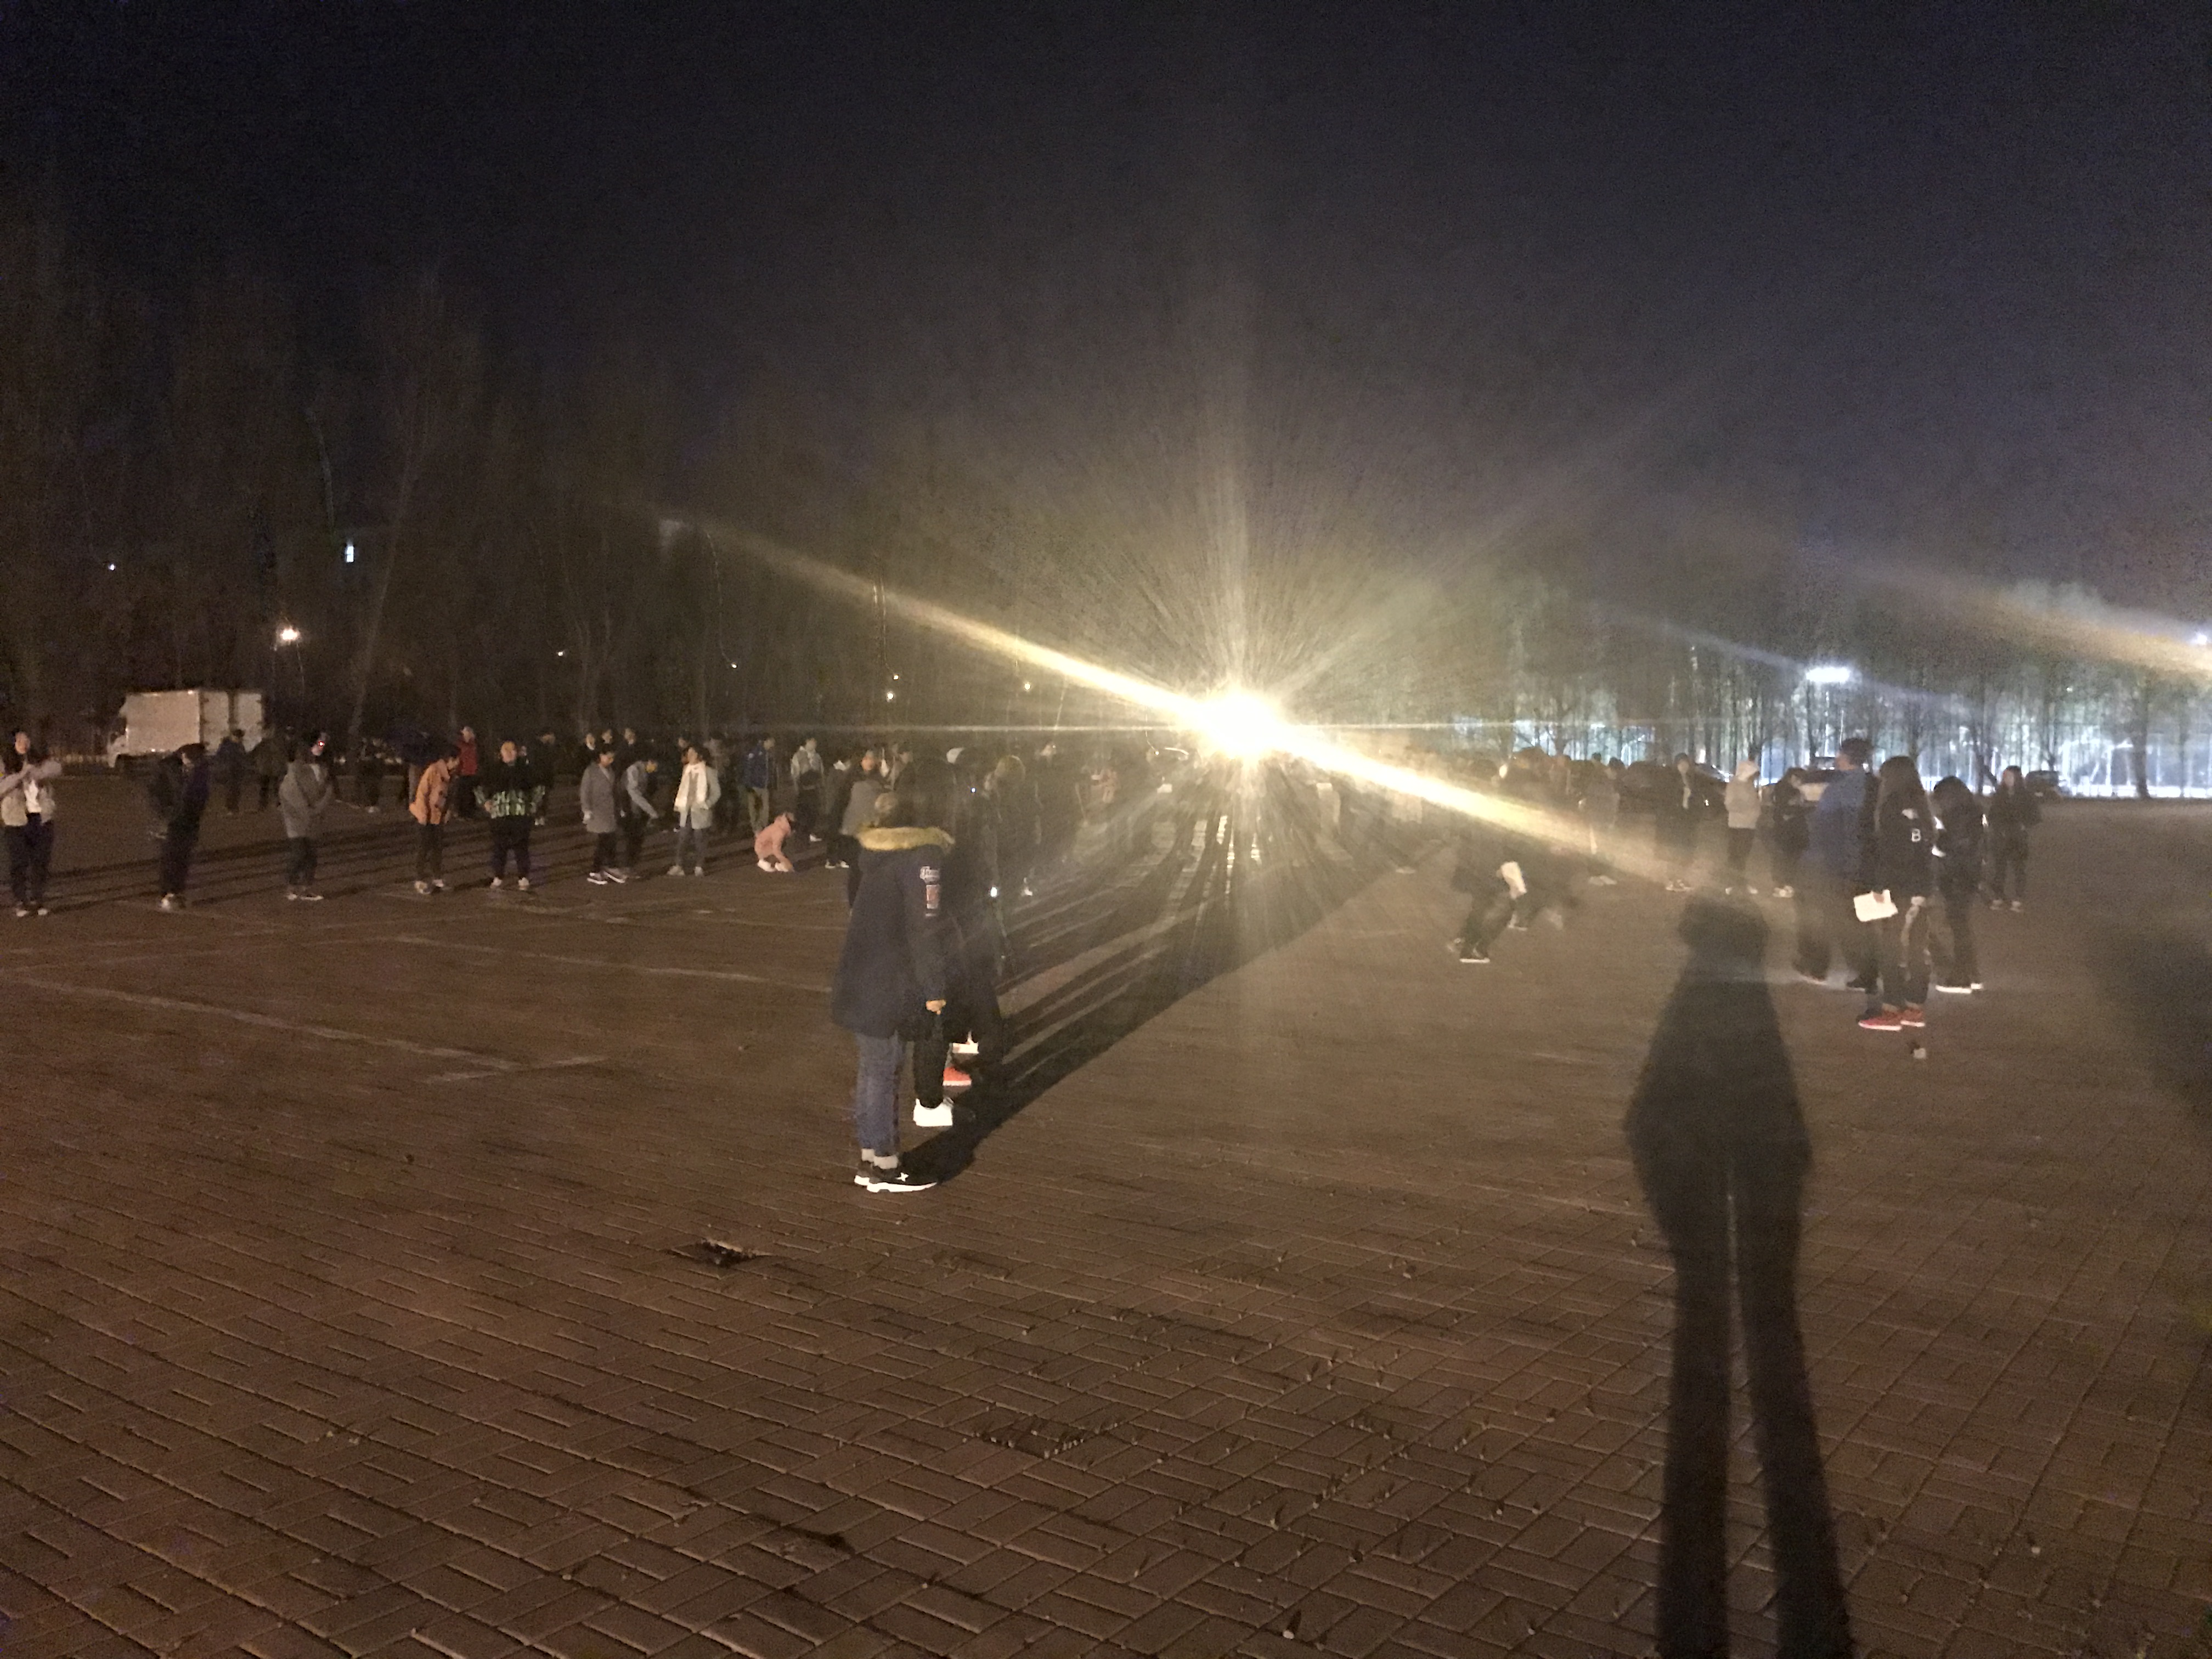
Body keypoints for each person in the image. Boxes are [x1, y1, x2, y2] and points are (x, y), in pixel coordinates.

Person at [828, 771, 952, 1193]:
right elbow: (925, 928)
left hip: (861, 973)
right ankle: (884, 1164)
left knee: (871, 1070)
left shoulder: (874, 853)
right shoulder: (923, 856)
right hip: (891, 978)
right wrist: (935, 988)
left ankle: (871, 1156)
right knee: (884, 1071)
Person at [1856, 754, 1934, 1032]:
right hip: (1920, 886)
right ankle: (1914, 1007)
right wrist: (1923, 889)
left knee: (1891, 947)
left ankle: (1892, 1009)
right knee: (1916, 947)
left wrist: (1879, 888)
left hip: (1898, 886)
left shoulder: (1892, 806)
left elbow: (1891, 853)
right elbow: (1922, 849)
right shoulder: (1921, 807)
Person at [1793, 737, 1876, 990]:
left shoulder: (1838, 790)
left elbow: (1829, 831)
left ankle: (1817, 967)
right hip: (1866, 865)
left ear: (1846, 757)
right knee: (1865, 920)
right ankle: (1869, 972)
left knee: (1821, 916)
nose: (1837, 758)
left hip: (1831, 865)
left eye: (1840, 754)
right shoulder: (1873, 786)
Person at [1929, 775, 1985, 994]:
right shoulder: (1974, 813)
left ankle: (1962, 977)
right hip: (1968, 875)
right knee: (1961, 926)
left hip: (1957, 876)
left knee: (1958, 928)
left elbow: (1955, 845)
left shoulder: (1959, 816)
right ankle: (1972, 975)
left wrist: (1938, 842)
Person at [0, 733, 62, 916]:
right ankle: (20, 901)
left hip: (41, 818)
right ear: (13, 743)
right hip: (16, 819)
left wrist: (37, 772)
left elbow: (57, 768)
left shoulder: (38, 760)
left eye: (26, 740)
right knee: (19, 862)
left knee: (41, 861)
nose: (24, 744)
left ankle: (38, 899)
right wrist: (20, 776)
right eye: (19, 741)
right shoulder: (4, 763)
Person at [279, 733, 337, 901]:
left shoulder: (323, 769)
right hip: (297, 819)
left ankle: (306, 888)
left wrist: (319, 808)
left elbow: (329, 790)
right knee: (298, 853)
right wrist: (308, 811)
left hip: (315, 819)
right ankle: (291, 886)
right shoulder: (295, 770)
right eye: (318, 745)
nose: (320, 748)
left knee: (311, 855)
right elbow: (291, 793)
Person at [154, 743, 211, 911]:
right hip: (172, 820)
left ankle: (178, 891)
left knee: (184, 857)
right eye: (191, 761)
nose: (192, 765)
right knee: (171, 857)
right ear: (183, 755)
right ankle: (167, 893)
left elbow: (202, 795)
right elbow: (156, 793)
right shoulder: (167, 768)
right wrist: (167, 813)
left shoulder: (201, 771)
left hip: (190, 820)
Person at [480, 740, 537, 890]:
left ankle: (523, 876)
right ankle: (498, 875)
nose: (510, 753)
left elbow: (537, 788)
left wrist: (534, 804)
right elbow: (480, 787)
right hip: (500, 814)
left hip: (520, 813)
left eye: (512, 750)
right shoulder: (493, 769)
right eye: (506, 750)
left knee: (521, 845)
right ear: (501, 753)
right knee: (499, 846)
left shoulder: (525, 769)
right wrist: (485, 802)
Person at [1985, 766, 2039, 910]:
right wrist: (1996, 827)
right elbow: (1993, 814)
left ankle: (2018, 897)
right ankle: (1998, 896)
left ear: (2017, 778)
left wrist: (2023, 825)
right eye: (2005, 777)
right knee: (1999, 869)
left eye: (2009, 776)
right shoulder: (2000, 795)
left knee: (2019, 868)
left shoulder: (2026, 796)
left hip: (2018, 838)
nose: (2007, 779)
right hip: (2001, 837)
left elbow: (2035, 816)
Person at [409, 743, 458, 894]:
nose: (459, 763)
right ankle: (419, 879)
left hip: (438, 817)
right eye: (457, 760)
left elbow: (449, 796)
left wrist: (448, 811)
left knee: (437, 848)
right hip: (425, 816)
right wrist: (423, 815)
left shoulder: (451, 775)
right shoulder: (433, 771)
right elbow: (422, 793)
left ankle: (437, 878)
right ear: (451, 759)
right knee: (424, 848)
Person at [669, 743, 720, 876]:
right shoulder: (686, 769)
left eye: (693, 753)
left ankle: (699, 866)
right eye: (688, 753)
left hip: (701, 812)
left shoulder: (709, 771)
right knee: (683, 839)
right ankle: (679, 865)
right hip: (686, 811)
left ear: (700, 755)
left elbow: (716, 792)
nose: (689, 756)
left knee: (700, 840)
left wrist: (707, 804)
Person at [1654, 754, 1701, 892]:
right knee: (1675, 851)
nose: (1684, 767)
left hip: (1687, 821)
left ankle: (1681, 878)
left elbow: (1695, 799)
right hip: (1674, 821)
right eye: (1681, 764)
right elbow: (1667, 800)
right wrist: (1683, 799)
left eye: (1686, 764)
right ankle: (1672, 879)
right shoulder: (1670, 779)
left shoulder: (1689, 779)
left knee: (1686, 851)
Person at [580, 744, 626, 885]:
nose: (611, 761)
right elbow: (585, 792)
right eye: (609, 758)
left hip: (610, 811)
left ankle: (609, 867)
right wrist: (587, 810)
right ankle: (597, 870)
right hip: (597, 811)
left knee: (610, 839)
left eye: (613, 758)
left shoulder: (611, 771)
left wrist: (620, 808)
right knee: (604, 840)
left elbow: (615, 791)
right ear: (601, 756)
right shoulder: (591, 771)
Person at [1767, 768, 1810, 899]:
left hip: (1791, 830)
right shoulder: (1784, 790)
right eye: (1800, 780)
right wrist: (1800, 808)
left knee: (1789, 858)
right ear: (1793, 778)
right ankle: (1782, 885)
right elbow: (1785, 809)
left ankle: (1785, 884)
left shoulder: (1789, 789)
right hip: (1788, 831)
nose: (1801, 783)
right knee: (1786, 858)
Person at [1722, 759, 1762, 895]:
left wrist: (1756, 811)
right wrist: (1748, 809)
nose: (1754, 776)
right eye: (1752, 772)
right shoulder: (1734, 785)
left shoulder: (1749, 785)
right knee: (1735, 855)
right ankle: (1731, 883)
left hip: (1749, 825)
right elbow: (1730, 805)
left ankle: (1740, 882)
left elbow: (1755, 802)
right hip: (1738, 825)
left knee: (1743, 856)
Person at [620, 752, 660, 872]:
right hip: (630, 809)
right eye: (655, 766)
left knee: (637, 838)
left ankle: (631, 864)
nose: (655, 770)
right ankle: (628, 865)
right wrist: (651, 811)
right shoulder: (634, 770)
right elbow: (635, 795)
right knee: (633, 838)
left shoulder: (642, 771)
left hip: (636, 810)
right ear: (650, 762)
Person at [742, 736, 779, 834]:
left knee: (765, 808)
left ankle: (762, 827)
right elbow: (748, 768)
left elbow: (771, 770)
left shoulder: (769, 754)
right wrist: (748, 784)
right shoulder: (756, 752)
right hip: (755, 785)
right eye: (772, 741)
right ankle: (756, 828)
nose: (773, 744)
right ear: (766, 741)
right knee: (754, 808)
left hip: (765, 785)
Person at [791, 736, 825, 839]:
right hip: (803, 789)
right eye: (813, 742)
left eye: (816, 743)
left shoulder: (817, 757)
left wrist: (821, 786)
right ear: (807, 742)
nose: (815, 745)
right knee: (803, 812)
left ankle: (810, 832)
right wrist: (797, 788)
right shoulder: (798, 756)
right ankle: (801, 833)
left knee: (813, 812)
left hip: (814, 789)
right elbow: (795, 774)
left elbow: (821, 772)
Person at [215, 728, 247, 815]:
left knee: (236, 790)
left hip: (237, 771)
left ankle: (234, 807)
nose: (238, 740)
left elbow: (243, 757)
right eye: (237, 738)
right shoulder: (226, 746)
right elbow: (219, 757)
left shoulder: (239, 746)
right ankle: (231, 808)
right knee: (231, 790)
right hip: (228, 771)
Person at [251, 728, 286, 811]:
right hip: (269, 769)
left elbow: (253, 755)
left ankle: (266, 805)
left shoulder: (264, 745)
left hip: (269, 769)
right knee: (270, 788)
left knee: (270, 788)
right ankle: (268, 805)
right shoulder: (271, 744)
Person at [755, 809, 797, 873]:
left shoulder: (780, 825)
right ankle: (768, 861)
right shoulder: (780, 833)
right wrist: (786, 862)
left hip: (761, 845)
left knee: (783, 846)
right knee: (781, 850)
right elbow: (776, 850)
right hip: (763, 848)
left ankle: (774, 862)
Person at [453, 725, 481, 819]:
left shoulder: (475, 745)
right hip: (463, 773)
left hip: (473, 772)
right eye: (466, 731)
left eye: (470, 731)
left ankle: (470, 812)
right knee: (463, 793)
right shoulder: (459, 745)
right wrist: (457, 771)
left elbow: (478, 757)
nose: (469, 733)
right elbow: (457, 758)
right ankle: (462, 813)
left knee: (471, 794)